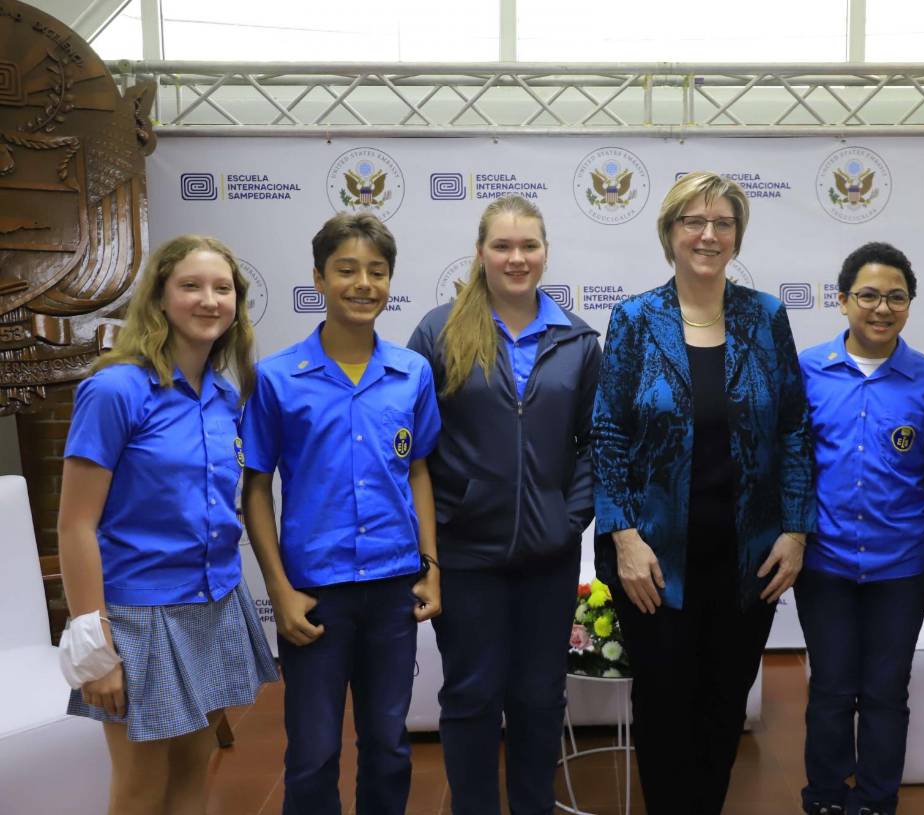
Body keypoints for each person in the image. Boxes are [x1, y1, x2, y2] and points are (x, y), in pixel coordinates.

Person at [592, 171, 814, 814]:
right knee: (663, 712)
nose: (708, 234)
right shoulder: (635, 318)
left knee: (723, 711)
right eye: (693, 221)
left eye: (722, 223)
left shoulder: (766, 316)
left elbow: (795, 427)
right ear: (670, 233)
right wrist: (625, 537)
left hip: (748, 562)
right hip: (655, 566)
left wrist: (797, 531)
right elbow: (608, 433)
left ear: (737, 236)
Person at [58, 235, 278, 815]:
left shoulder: (226, 397)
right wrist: (94, 641)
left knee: (191, 777)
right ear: (159, 298)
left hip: (213, 607)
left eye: (222, 288)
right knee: (140, 790)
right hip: (138, 619)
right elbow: (75, 525)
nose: (209, 300)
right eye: (191, 286)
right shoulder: (113, 390)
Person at [240, 213, 442, 815]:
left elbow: (419, 471)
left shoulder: (411, 373)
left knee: (388, 744)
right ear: (318, 279)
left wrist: (430, 565)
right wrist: (277, 588)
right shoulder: (277, 378)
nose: (363, 283)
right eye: (346, 270)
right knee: (313, 749)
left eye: (376, 272)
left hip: (390, 589)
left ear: (390, 281)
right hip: (315, 594)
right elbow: (255, 488)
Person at [407, 194, 601, 815]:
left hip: (549, 555)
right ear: (481, 253)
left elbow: (596, 442)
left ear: (545, 253)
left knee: (541, 698)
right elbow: (413, 450)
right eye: (503, 246)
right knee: (471, 695)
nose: (517, 259)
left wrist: (570, 518)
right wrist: (438, 533)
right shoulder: (438, 333)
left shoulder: (577, 340)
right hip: (466, 553)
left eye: (529, 246)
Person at [795, 242, 924, 815]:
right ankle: (826, 798)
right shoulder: (807, 369)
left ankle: (879, 801)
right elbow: (792, 463)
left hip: (900, 568)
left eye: (895, 298)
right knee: (831, 692)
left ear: (908, 305)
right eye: (868, 295)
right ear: (841, 301)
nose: (881, 309)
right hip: (824, 564)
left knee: (886, 694)